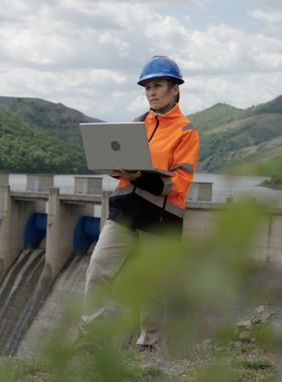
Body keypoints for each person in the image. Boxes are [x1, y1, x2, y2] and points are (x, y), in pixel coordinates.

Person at [78, 55, 199, 352]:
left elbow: (178, 183)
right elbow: (123, 168)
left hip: (160, 220)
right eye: (147, 88)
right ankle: (89, 335)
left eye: (158, 85)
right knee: (97, 268)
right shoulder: (136, 125)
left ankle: (149, 345)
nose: (151, 92)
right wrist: (113, 166)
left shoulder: (186, 132)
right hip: (124, 214)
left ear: (175, 89)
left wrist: (138, 177)